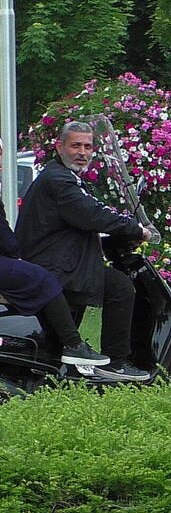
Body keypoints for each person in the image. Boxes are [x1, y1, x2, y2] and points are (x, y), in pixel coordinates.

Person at [15, 121, 152, 380]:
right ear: (60, 147)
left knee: (112, 284)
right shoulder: (60, 181)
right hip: (54, 264)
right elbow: (90, 213)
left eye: (88, 146)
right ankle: (116, 362)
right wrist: (134, 228)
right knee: (120, 287)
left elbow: (83, 216)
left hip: (57, 259)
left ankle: (69, 358)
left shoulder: (63, 177)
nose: (82, 152)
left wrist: (117, 231)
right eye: (75, 145)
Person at [0, 139, 108, 366]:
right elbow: (5, 237)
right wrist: (13, 253)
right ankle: (72, 344)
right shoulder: (57, 179)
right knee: (42, 278)